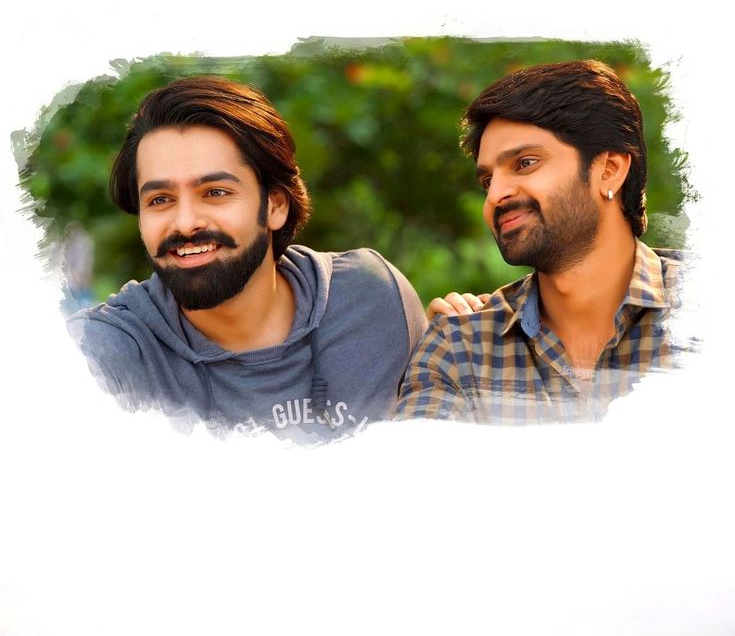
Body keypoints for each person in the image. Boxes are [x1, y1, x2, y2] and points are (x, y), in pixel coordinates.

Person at [67, 75, 425, 441]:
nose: (186, 223)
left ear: (276, 205)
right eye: (160, 199)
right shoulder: (100, 355)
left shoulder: (373, 301)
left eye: (215, 192)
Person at [397, 60, 688, 425]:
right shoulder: (461, 350)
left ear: (609, 169)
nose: (497, 195)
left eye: (525, 163)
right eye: (488, 180)